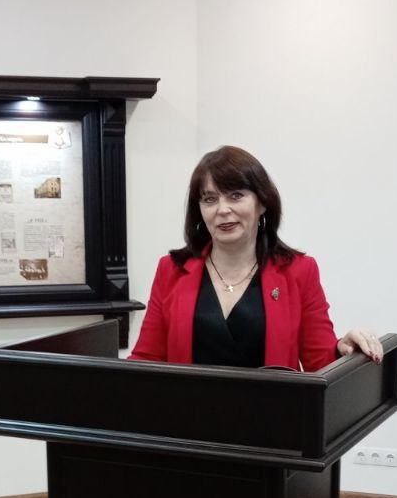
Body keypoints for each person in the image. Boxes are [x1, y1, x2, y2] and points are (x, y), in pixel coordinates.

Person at [130, 146, 382, 370]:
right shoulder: (171, 269)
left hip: (271, 409)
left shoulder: (299, 270)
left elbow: (320, 364)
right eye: (210, 199)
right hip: (188, 409)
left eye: (235, 195)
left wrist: (344, 348)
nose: (222, 209)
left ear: (262, 202)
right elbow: (146, 360)